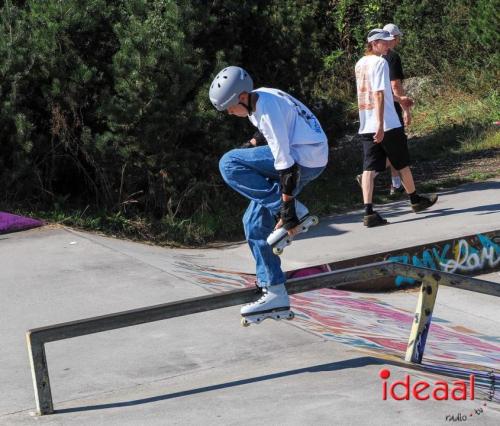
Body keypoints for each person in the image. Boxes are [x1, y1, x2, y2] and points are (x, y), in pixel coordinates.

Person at [209, 66, 328, 324]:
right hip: (311, 154)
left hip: (302, 159)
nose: (230, 113)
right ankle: (275, 292)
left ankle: (295, 213)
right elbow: (263, 132)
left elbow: (287, 167)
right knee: (252, 223)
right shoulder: (260, 97)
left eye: (229, 108)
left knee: (229, 164)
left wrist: (286, 210)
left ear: (241, 97)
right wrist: (251, 146)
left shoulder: (266, 110)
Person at [355, 29, 437, 227]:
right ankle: (415, 201)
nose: (388, 45)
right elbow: (379, 94)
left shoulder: (360, 63)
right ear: (374, 44)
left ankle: (368, 212)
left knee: (368, 168)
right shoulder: (380, 62)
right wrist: (381, 125)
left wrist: (400, 99)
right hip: (387, 124)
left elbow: (372, 92)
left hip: (366, 123)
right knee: (401, 163)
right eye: (384, 42)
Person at [383, 23, 414, 196]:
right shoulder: (392, 57)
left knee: (387, 145)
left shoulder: (373, 57)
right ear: (393, 38)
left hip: (376, 107)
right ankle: (370, 173)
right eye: (398, 37)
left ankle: (395, 184)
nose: (398, 41)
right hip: (392, 105)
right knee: (397, 145)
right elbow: (395, 85)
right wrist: (405, 109)